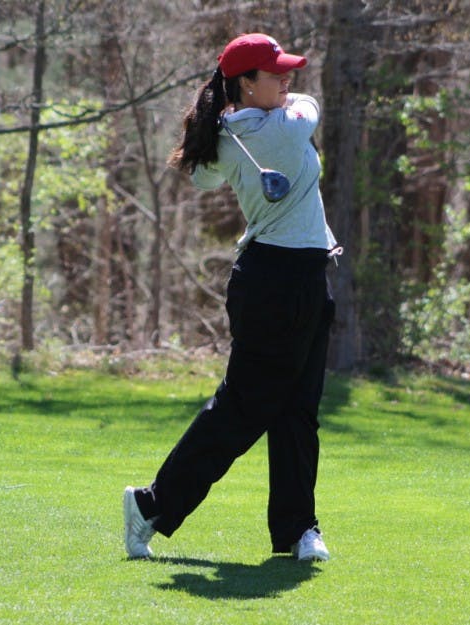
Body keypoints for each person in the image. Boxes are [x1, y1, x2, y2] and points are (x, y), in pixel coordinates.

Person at [123, 33, 338, 562]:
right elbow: (311, 108)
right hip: (273, 282)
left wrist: (226, 125)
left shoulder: (238, 133)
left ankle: (296, 529)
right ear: (244, 83)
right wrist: (241, 122)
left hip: (308, 274)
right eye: (275, 74)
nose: (289, 81)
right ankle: (151, 506)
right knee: (244, 409)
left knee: (298, 411)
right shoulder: (283, 128)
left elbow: (201, 176)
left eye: (286, 71)